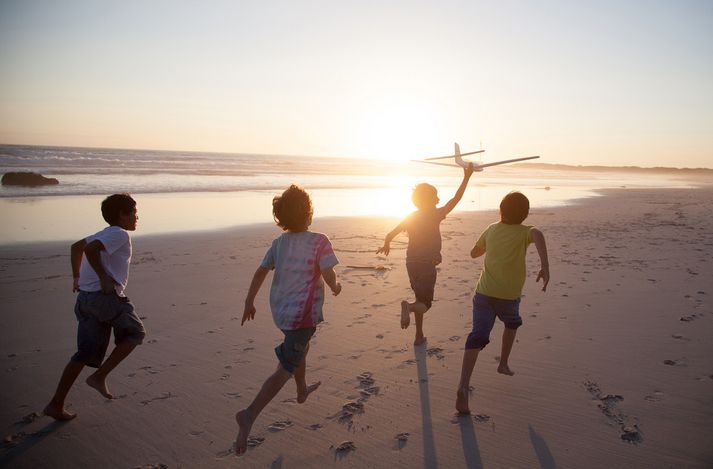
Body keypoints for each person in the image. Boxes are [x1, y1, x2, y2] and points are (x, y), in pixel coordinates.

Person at [235, 185, 341, 455]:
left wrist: (249, 301)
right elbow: (328, 272)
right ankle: (249, 414)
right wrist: (336, 286)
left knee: (299, 348)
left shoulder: (279, 244)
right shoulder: (319, 241)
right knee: (286, 363)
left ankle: (302, 389)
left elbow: (260, 272)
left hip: (281, 313)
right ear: (309, 214)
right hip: (301, 316)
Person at [44, 193, 145, 421]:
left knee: (84, 353)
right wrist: (103, 277)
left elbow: (76, 248)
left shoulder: (104, 233)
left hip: (85, 300)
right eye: (135, 214)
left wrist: (76, 277)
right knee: (135, 333)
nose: (137, 218)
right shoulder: (119, 234)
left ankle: (55, 404)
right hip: (104, 299)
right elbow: (88, 251)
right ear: (122, 214)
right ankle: (99, 377)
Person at [455, 191, 550, 414]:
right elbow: (537, 233)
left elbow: (473, 253)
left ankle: (463, 385)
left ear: (500, 210)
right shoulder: (526, 232)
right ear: (526, 214)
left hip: (484, 293)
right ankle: (503, 363)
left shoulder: (491, 229)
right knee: (512, 323)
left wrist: (485, 247)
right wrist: (545, 265)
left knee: (477, 336)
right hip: (508, 296)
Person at [377, 163, 475, 345]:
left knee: (419, 297)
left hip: (411, 263)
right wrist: (467, 177)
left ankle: (419, 335)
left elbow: (390, 234)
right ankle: (408, 307)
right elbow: (456, 198)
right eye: (436, 196)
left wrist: (387, 244)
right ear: (431, 200)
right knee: (424, 304)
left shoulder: (411, 216)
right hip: (426, 264)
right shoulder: (436, 214)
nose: (439, 199)